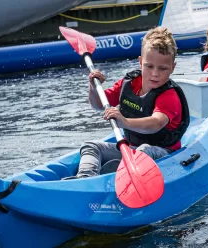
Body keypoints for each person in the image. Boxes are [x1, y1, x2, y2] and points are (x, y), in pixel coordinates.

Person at [64, 27, 190, 179]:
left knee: (144, 150)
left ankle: (122, 176)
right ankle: (85, 179)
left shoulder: (169, 95)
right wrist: (93, 86)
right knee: (91, 146)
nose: (155, 73)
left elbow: (156, 123)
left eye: (163, 68)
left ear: (172, 68)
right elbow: (98, 105)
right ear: (140, 62)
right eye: (149, 66)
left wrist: (125, 122)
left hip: (163, 153)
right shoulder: (128, 84)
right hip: (132, 149)